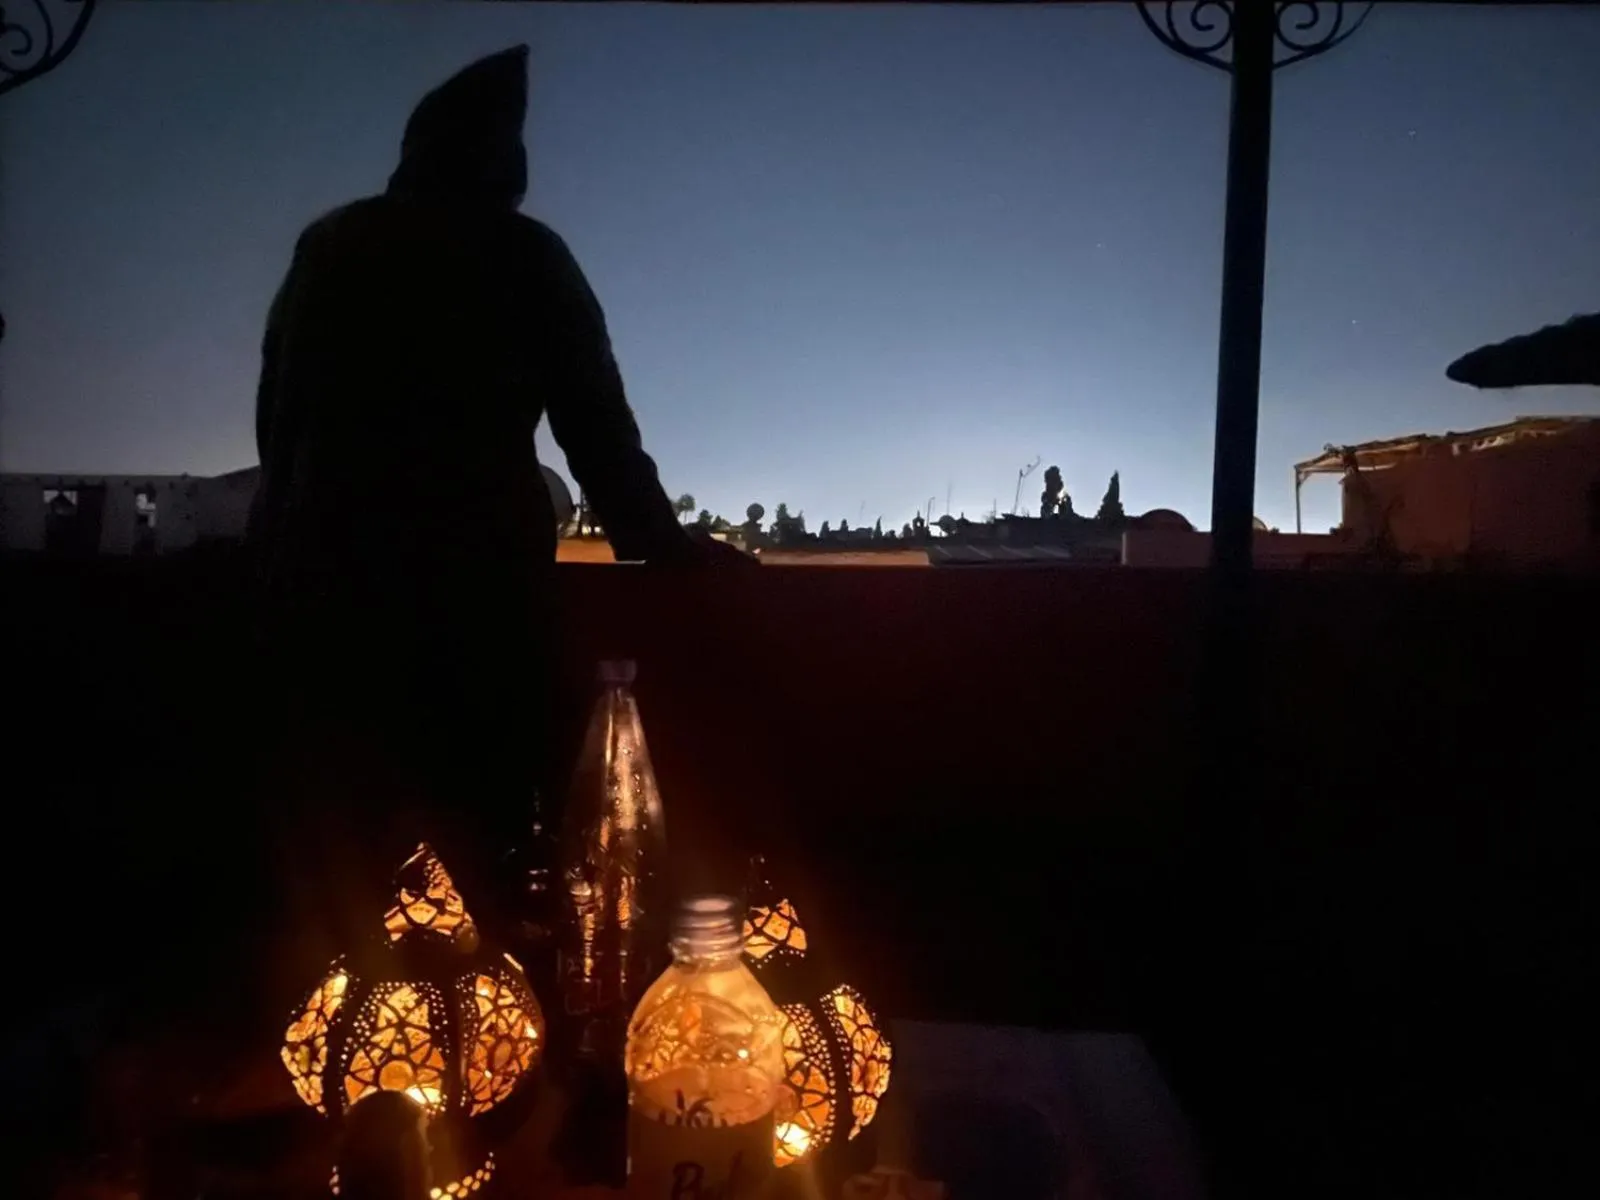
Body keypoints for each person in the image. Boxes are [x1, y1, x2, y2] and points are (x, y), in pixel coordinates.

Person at [246, 45, 748, 997]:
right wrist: (665, 549)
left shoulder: (331, 246)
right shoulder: (524, 255)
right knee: (483, 858)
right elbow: (596, 428)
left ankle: (344, 1044)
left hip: (314, 591)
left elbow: (279, 421)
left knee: (334, 867)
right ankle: (492, 1044)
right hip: (474, 594)